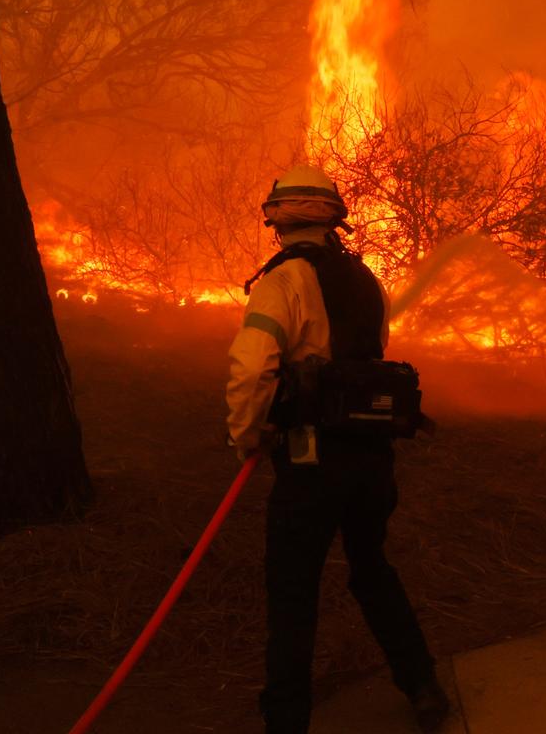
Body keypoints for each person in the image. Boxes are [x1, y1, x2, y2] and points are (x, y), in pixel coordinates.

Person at [225, 164, 452, 734]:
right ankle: (422, 685)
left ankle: (286, 721)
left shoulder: (283, 281)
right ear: (335, 220)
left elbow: (253, 365)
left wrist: (246, 434)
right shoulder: (367, 281)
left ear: (275, 220)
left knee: (293, 591)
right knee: (372, 568)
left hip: (309, 463)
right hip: (372, 461)